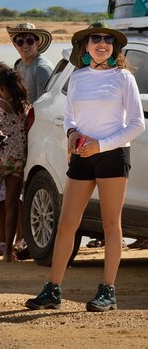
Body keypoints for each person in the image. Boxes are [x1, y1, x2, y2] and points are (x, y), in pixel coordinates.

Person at [25, 21, 145, 312]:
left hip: (112, 156)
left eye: (108, 39)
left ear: (114, 47)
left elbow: (137, 124)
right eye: (96, 39)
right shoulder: (78, 77)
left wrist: (101, 146)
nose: (102, 43)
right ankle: (52, 289)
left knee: (110, 224)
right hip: (81, 155)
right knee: (67, 223)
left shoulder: (123, 78)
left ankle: (107, 291)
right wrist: (72, 134)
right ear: (86, 46)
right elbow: (70, 116)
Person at [0, 66, 30, 262]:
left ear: (0, 87)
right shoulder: (25, 107)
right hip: (18, 160)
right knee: (11, 205)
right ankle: (8, 251)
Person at [6, 22, 54, 104]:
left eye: (30, 41)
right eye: (20, 42)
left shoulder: (41, 69)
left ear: (37, 43)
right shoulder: (19, 65)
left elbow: (43, 105)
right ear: (15, 45)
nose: (25, 46)